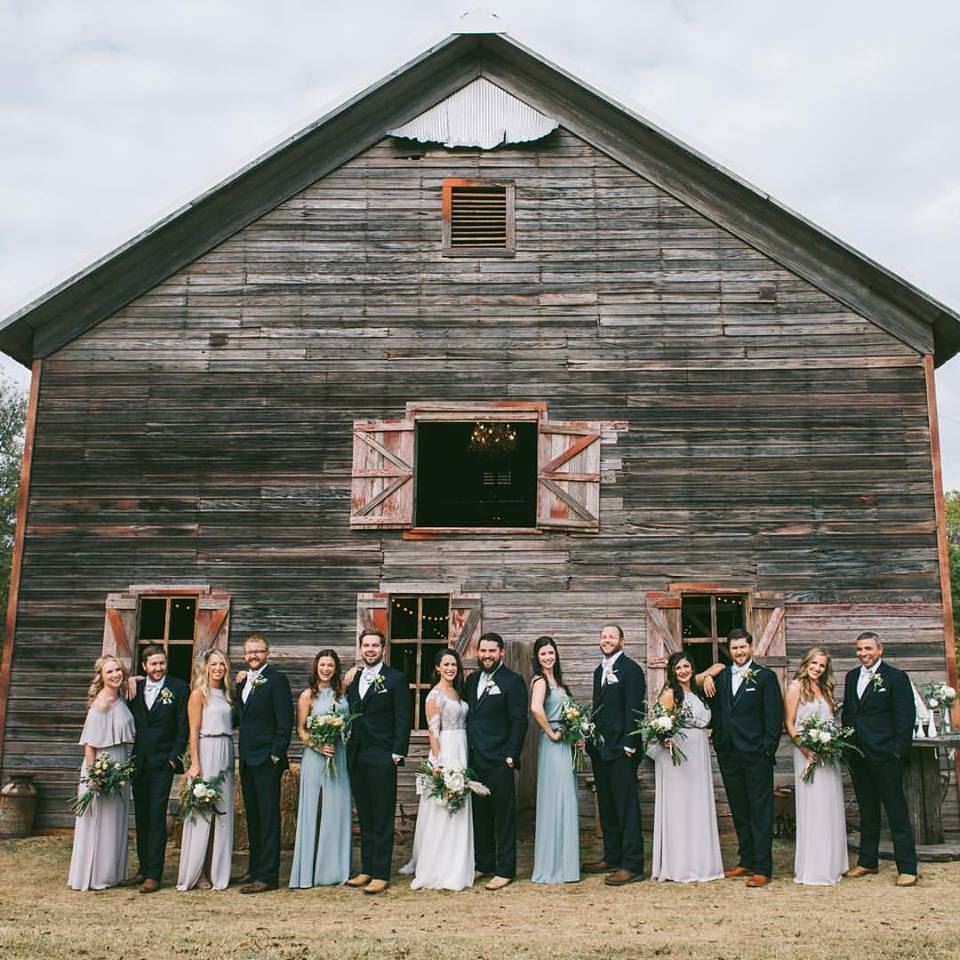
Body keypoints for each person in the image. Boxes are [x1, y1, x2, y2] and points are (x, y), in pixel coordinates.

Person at [841, 630, 918, 886]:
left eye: (868, 649)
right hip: (859, 756)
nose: (863, 654)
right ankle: (867, 861)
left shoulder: (896, 677)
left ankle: (907, 867)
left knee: (896, 811)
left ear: (880, 649)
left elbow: (905, 718)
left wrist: (897, 752)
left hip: (886, 756)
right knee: (868, 810)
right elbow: (850, 714)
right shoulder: (851, 677)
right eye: (860, 649)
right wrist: (847, 745)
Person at [711, 627, 783, 888]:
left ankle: (763, 867)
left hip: (756, 755)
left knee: (760, 811)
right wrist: (719, 741)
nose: (739, 652)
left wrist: (767, 749)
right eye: (734, 648)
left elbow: (773, 717)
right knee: (739, 808)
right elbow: (718, 711)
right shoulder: (721, 677)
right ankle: (746, 860)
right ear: (728, 650)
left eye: (742, 647)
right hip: (728, 753)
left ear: (751, 647)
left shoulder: (765, 677)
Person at [401, 648, 474, 890]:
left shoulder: (457, 691)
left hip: (462, 749)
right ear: (437, 668)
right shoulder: (434, 696)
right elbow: (433, 732)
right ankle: (438, 866)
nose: (451, 668)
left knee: (460, 805)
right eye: (446, 664)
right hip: (446, 750)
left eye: (454, 664)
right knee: (443, 806)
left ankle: (458, 862)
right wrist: (440, 764)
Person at [649, 651, 724, 883]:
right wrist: (663, 738)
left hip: (698, 751)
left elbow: (721, 665)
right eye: (678, 668)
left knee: (697, 804)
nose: (683, 671)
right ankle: (680, 865)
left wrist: (709, 674)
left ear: (692, 668)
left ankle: (700, 861)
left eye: (686, 666)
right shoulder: (671, 692)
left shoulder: (696, 688)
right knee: (680, 805)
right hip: (678, 754)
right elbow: (659, 722)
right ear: (672, 671)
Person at [345, 629, 411, 895]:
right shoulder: (354, 677)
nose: (370, 649)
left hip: (382, 754)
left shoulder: (395, 678)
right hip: (357, 754)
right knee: (366, 814)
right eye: (366, 645)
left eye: (375, 645)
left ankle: (381, 873)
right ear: (361, 649)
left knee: (383, 815)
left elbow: (403, 717)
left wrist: (396, 753)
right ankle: (367, 868)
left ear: (383, 649)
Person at [584, 623, 646, 885]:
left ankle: (632, 864)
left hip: (622, 750)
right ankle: (612, 856)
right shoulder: (600, 670)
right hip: (601, 749)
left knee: (626, 806)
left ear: (622, 641)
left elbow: (635, 709)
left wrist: (629, 745)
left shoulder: (631, 670)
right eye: (604, 636)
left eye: (612, 636)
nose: (607, 640)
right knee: (607, 805)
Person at [465, 631, 527, 891]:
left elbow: (519, 721)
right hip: (474, 759)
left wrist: (511, 755)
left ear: (501, 652)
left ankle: (505, 869)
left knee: (503, 817)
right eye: (483, 650)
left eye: (492, 651)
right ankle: (485, 862)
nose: (487, 655)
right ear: (477, 652)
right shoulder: (472, 680)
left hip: (500, 759)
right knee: (480, 816)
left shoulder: (512, 681)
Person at [68, 656, 136, 891]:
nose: (115, 674)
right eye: (110, 672)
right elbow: (89, 744)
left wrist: (134, 679)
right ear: (101, 676)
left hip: (120, 760)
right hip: (102, 763)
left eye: (118, 670)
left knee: (115, 818)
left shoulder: (120, 696)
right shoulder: (101, 704)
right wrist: (95, 775)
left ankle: (112, 873)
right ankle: (96, 875)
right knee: (101, 820)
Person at [784, 646, 848, 885]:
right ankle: (814, 866)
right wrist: (805, 748)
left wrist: (831, 743)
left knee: (830, 805)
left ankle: (833, 862)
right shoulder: (795, 687)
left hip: (828, 756)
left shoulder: (826, 689)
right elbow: (789, 724)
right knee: (814, 806)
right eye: (814, 664)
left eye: (821, 665)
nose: (817, 669)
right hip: (807, 754)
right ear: (806, 664)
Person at [128, 644, 189, 894]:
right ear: (144, 666)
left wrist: (173, 758)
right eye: (153, 664)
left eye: (161, 663)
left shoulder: (178, 688)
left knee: (156, 816)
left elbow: (182, 726)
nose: (158, 668)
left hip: (162, 763)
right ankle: (143, 868)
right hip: (139, 762)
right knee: (141, 816)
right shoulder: (135, 688)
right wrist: (131, 679)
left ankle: (155, 873)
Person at [289, 649, 352, 888]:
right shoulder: (308, 696)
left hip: (339, 754)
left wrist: (342, 734)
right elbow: (301, 730)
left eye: (331, 665)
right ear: (316, 667)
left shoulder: (342, 692)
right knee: (312, 810)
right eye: (322, 665)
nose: (326, 669)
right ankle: (308, 871)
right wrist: (317, 746)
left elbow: (347, 722)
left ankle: (335, 870)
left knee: (338, 808)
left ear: (336, 668)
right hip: (315, 756)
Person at [236, 634, 294, 894]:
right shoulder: (242, 682)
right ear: (244, 654)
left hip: (267, 760)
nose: (254, 655)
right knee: (253, 816)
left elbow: (285, 721)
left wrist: (275, 754)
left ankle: (269, 875)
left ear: (267, 653)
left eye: (258, 651)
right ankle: (254, 867)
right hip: (247, 759)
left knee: (269, 817)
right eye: (250, 652)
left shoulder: (277, 681)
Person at [176, 648, 236, 891]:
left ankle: (217, 870)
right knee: (202, 811)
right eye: (214, 664)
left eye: (222, 664)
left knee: (222, 811)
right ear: (206, 667)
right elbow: (193, 730)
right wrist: (196, 763)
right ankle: (197, 871)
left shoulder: (228, 695)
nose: (218, 669)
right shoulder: (199, 694)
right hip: (207, 748)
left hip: (226, 749)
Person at [529, 636, 580, 885]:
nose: (548, 658)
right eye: (543, 654)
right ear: (537, 658)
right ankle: (551, 866)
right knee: (556, 798)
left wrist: (576, 732)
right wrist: (551, 732)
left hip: (567, 743)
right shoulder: (540, 681)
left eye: (551, 653)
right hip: (553, 744)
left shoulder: (558, 681)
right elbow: (536, 708)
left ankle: (567, 865)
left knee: (567, 798)